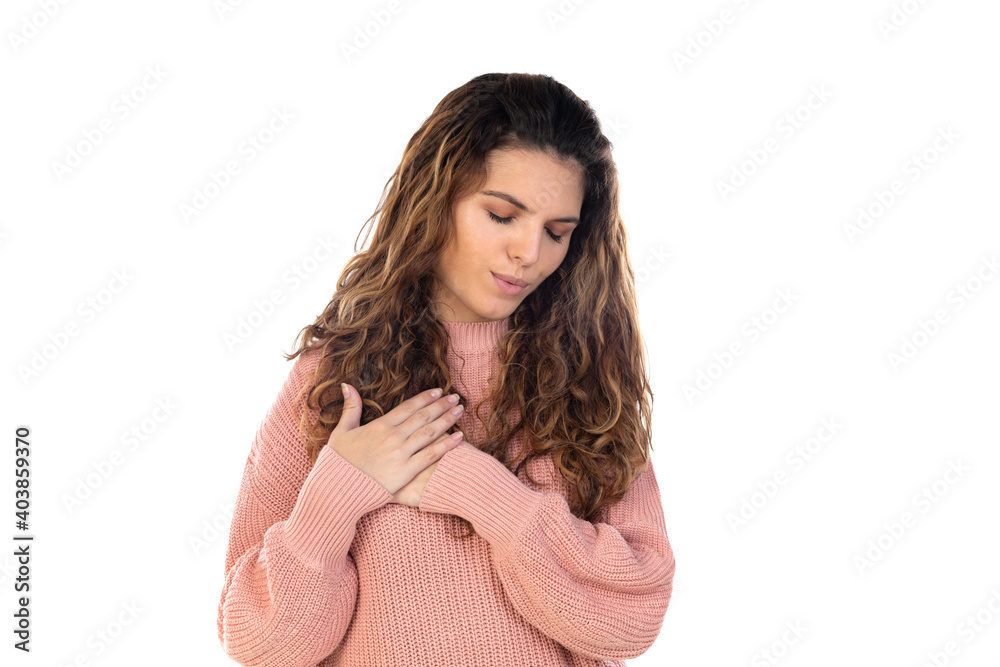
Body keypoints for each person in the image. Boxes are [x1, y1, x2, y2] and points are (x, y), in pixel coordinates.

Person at [216, 72, 676, 667]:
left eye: (557, 232)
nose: (529, 254)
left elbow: (630, 618)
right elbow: (261, 644)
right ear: (438, 200)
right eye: (503, 216)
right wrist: (334, 497)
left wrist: (482, 492)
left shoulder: (585, 387)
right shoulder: (335, 379)